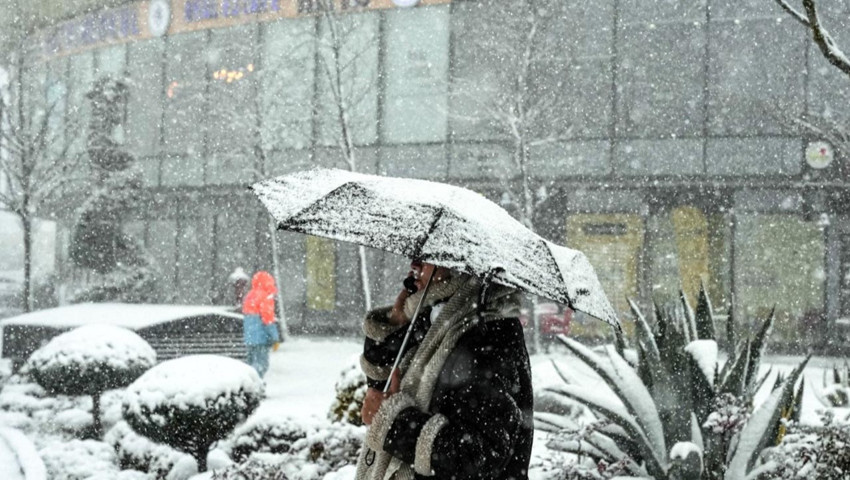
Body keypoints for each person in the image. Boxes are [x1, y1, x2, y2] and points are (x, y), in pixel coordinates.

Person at [355, 260, 533, 480]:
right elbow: (386, 387)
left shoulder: (486, 336)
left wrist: (393, 423)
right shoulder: (439, 319)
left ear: (462, 265)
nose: (414, 263)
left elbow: (477, 456)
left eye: (428, 257)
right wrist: (395, 325)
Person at [241, 270, 280, 378]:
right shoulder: (265, 296)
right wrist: (275, 338)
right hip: (261, 338)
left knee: (250, 364)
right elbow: (268, 319)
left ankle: (249, 386)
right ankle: (256, 387)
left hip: (249, 338)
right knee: (261, 365)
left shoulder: (249, 296)